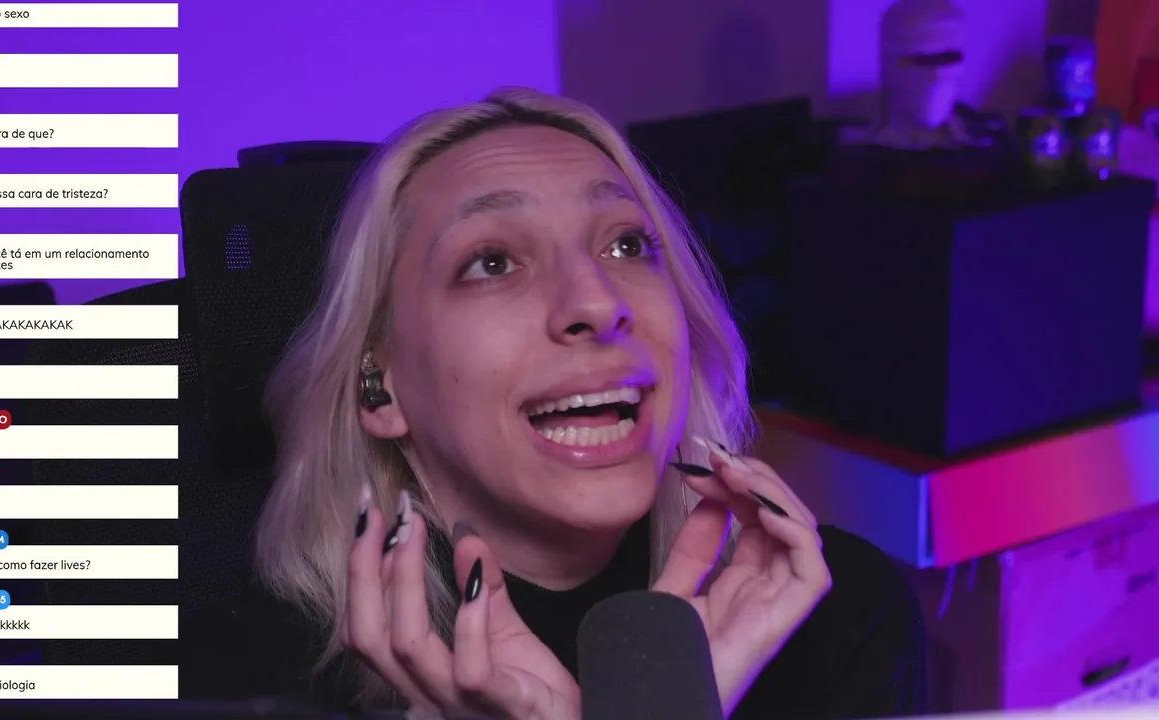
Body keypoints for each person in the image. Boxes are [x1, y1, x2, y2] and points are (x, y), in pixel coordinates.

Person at [182, 87, 928, 719]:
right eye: (492, 262)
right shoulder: (235, 678)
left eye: (627, 246)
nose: (597, 303)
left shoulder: (836, 614)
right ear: (380, 387)